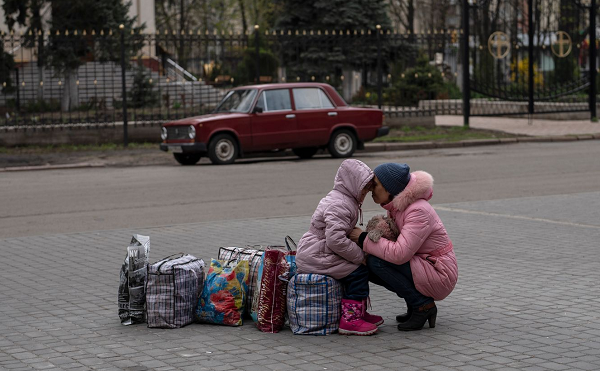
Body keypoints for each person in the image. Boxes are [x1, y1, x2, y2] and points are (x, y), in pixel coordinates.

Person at [350, 163, 458, 331]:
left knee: (376, 263)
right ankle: (414, 302)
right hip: (426, 264)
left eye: (376, 184)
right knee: (369, 264)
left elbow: (400, 254)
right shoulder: (398, 207)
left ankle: (422, 306)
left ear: (389, 188)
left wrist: (363, 238)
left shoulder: (418, 211)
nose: (371, 189)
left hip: (440, 272)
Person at [296, 159, 383, 336]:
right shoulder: (341, 204)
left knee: (355, 270)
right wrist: (360, 255)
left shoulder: (342, 198)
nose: (366, 193)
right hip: (317, 253)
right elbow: (335, 240)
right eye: (364, 188)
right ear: (354, 185)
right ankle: (351, 320)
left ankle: (358, 312)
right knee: (358, 271)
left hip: (319, 250)